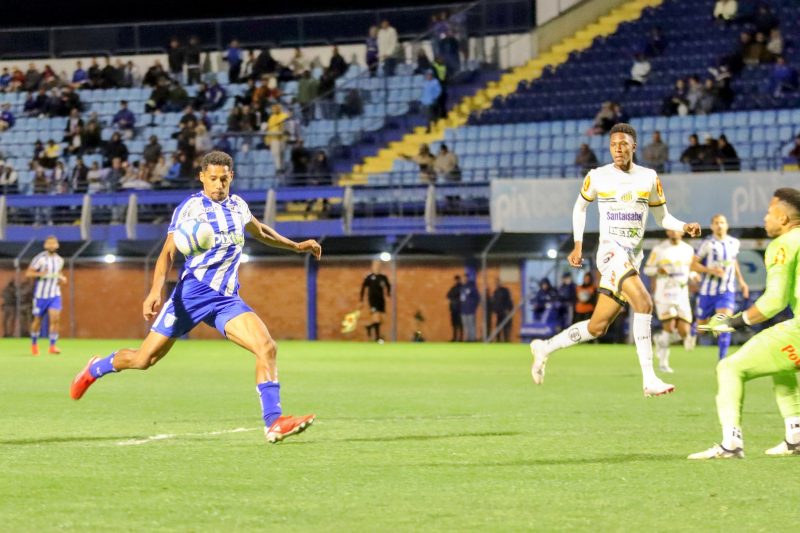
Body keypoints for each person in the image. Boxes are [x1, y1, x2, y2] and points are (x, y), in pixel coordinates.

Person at [69, 151, 321, 444]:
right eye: (212, 178)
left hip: (226, 299)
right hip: (190, 296)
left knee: (266, 347)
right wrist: (155, 290)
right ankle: (95, 368)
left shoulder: (238, 206)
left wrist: (297, 246)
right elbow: (168, 253)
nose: (218, 184)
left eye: (224, 179)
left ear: (232, 177)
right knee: (143, 360)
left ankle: (274, 422)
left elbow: (261, 231)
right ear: (202, 177)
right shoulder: (190, 209)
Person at [529, 123, 701, 397]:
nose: (617, 149)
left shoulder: (649, 177)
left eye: (623, 144)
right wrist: (577, 244)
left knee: (597, 327)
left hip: (632, 257)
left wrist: (684, 227)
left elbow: (662, 218)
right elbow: (580, 207)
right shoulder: (597, 176)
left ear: (634, 146)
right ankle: (649, 379)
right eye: (613, 144)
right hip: (610, 252)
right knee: (644, 302)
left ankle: (544, 347)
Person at [688, 188, 800, 460]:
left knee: (729, 367)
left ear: (783, 218)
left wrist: (734, 322)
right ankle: (796, 436)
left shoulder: (783, 244)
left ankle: (731, 444)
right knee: (781, 367)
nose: (764, 218)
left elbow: (774, 301)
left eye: (769, 212)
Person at [691, 214, 749, 360]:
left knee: (724, 324)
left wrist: (741, 281)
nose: (719, 225)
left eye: (722, 222)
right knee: (701, 328)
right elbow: (693, 265)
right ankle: (693, 331)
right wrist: (710, 270)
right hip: (707, 291)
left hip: (726, 290)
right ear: (712, 226)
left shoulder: (734, 243)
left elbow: (733, 262)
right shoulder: (707, 243)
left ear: (727, 225)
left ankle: (722, 359)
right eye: (716, 223)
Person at [643, 230, 697, 374]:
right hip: (665, 292)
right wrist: (657, 270)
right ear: (667, 232)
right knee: (669, 326)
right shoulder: (659, 249)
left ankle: (660, 340)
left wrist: (694, 276)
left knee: (685, 331)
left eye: (677, 229)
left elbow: (691, 269)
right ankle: (663, 363)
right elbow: (647, 269)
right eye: (671, 229)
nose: (674, 232)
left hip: (682, 293)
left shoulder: (688, 249)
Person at [25, 236, 66, 355]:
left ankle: (52, 346)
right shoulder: (40, 258)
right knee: (38, 320)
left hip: (55, 294)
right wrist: (39, 273)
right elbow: (28, 273)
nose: (52, 245)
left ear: (57, 245)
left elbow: (58, 274)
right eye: (49, 243)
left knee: (55, 318)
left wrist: (62, 279)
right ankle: (34, 344)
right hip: (41, 295)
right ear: (45, 245)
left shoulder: (59, 260)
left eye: (54, 243)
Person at [360, 260, 391, 343]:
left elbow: (388, 285)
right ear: (372, 266)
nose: (377, 267)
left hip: (381, 300)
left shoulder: (383, 277)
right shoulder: (369, 277)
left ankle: (369, 327)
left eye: (378, 265)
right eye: (375, 265)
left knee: (382, 320)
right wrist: (361, 300)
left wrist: (388, 294)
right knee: (376, 318)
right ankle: (377, 338)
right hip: (373, 300)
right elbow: (363, 288)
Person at [490, 276, 513, 342]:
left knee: (505, 327)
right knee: (498, 327)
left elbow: (509, 300)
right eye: (496, 283)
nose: (497, 284)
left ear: (500, 283)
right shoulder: (495, 292)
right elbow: (494, 302)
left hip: (505, 312)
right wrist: (494, 310)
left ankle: (506, 340)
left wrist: (508, 309)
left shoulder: (505, 290)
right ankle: (498, 340)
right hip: (498, 313)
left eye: (498, 282)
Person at [460, 272, 480, 342]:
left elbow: (477, 297)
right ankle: (467, 339)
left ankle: (472, 339)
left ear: (468, 278)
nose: (464, 279)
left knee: (471, 325)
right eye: (463, 278)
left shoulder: (472, 287)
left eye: (465, 278)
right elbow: (462, 298)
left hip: (471, 310)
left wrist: (474, 306)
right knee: (465, 325)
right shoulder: (462, 287)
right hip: (463, 310)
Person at [446, 275, 463, 342]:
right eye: (455, 280)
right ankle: (454, 337)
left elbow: (454, 295)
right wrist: (454, 296)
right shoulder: (453, 287)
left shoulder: (461, 287)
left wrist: (454, 297)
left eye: (457, 280)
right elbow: (448, 295)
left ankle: (460, 338)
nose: (456, 281)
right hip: (453, 309)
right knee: (454, 324)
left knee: (460, 324)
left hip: (459, 308)